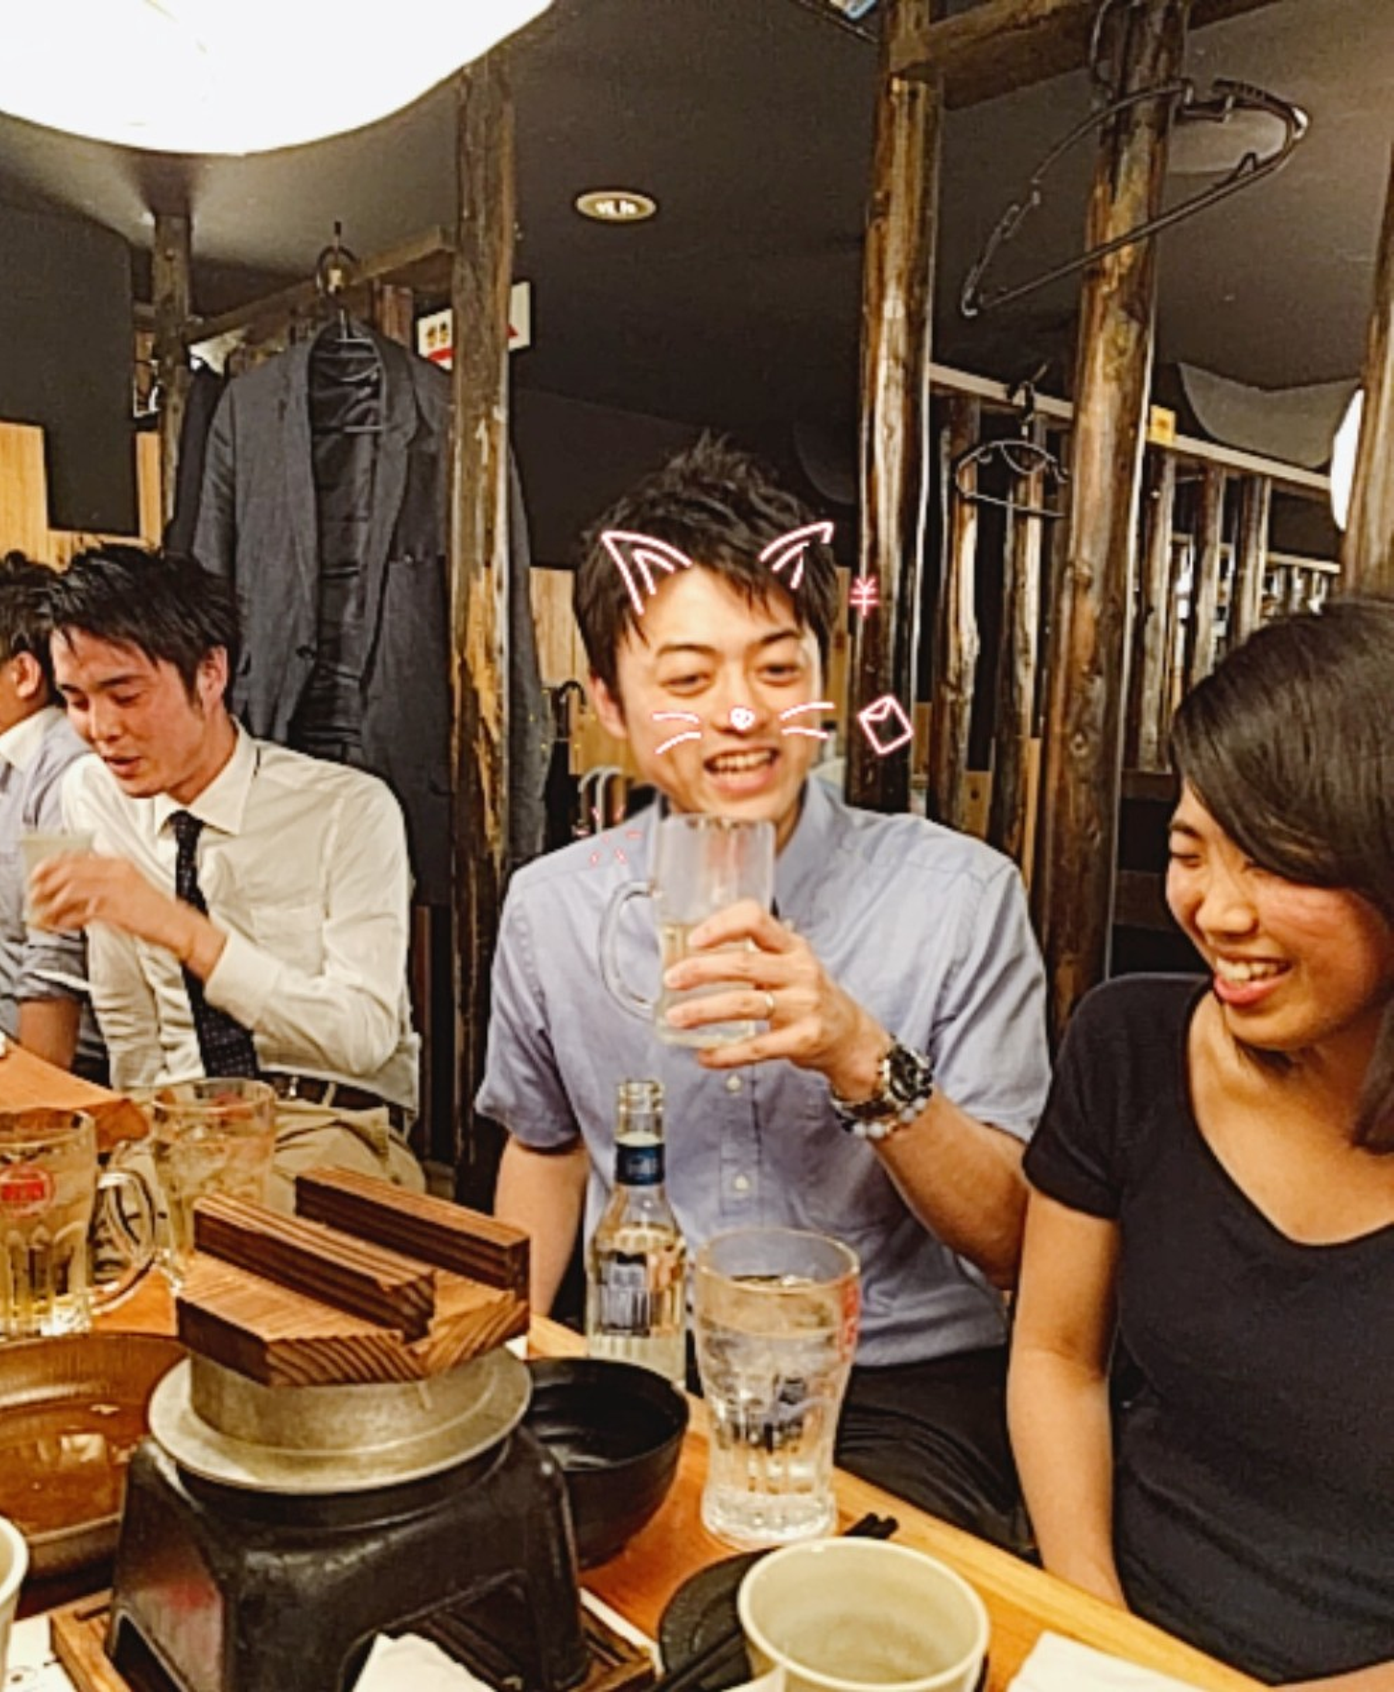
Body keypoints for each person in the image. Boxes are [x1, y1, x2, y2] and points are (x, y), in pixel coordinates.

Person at [479, 438, 1050, 1547]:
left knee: (828, 1602)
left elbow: (1012, 1238)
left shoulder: (959, 894)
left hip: (895, 1380)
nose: (742, 715)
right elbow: (545, 1150)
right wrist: (503, 1357)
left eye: (779, 670)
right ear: (610, 701)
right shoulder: (554, 908)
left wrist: (855, 1051)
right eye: (690, 680)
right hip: (648, 1357)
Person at [1010, 599, 1394, 1685]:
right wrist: (1100, 1635)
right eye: (1192, 852)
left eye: (1274, 861)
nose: (1217, 911)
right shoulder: (1129, 1047)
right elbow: (1055, 1357)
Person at [32, 546, 423, 1200]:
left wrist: (189, 935)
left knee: (231, 1235)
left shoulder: (348, 810)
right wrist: (131, 1150)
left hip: (325, 1118)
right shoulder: (92, 792)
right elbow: (129, 1014)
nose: (101, 729)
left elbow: (364, 1038)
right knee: (61, 1217)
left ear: (210, 673)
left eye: (125, 695)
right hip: (179, 1122)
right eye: (76, 700)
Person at [0, 551, 102, 1072]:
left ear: (22, 674)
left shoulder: (68, 770)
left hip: (63, 1068)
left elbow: (56, 961)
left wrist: (31, 1099)